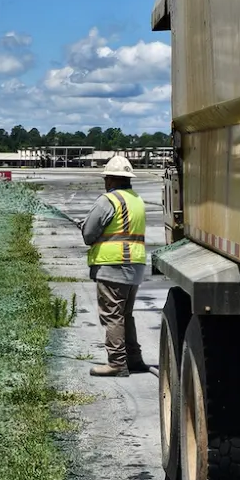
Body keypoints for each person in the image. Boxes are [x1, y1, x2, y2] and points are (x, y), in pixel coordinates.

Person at [80, 156, 148, 378]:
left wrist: (85, 227)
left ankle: (117, 363)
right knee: (125, 314)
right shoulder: (136, 199)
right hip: (135, 265)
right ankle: (134, 359)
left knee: (112, 315)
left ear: (110, 179)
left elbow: (89, 234)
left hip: (113, 266)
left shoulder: (108, 201)